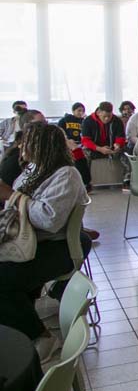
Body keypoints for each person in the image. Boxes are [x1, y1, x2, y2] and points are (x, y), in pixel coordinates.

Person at [0, 122, 90, 360]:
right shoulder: (33, 169)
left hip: (58, 247)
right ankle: (19, 329)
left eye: (27, 142)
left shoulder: (66, 175)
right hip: (31, 242)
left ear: (41, 146)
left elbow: (49, 219)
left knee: (3, 281)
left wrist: (11, 195)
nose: (21, 146)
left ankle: (42, 337)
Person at [1, 110, 46, 189]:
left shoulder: (45, 149)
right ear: (27, 127)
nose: (46, 126)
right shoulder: (17, 157)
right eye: (40, 124)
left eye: (45, 122)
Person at [58, 103, 90, 188]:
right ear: (73, 111)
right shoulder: (64, 120)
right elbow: (60, 132)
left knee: (85, 156)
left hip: (81, 144)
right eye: (79, 110)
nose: (81, 113)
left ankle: (86, 182)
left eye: (83, 111)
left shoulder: (85, 121)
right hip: (68, 143)